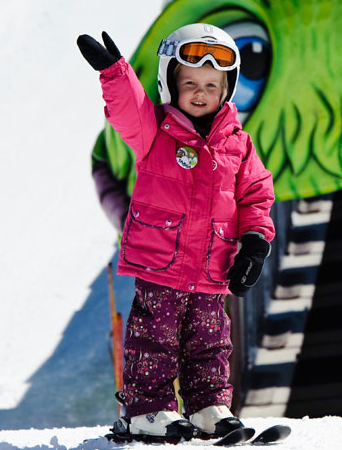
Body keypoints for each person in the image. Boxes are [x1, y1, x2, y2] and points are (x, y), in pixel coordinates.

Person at [76, 23, 275, 441]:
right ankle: (149, 411)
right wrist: (115, 73)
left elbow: (256, 193)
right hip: (162, 262)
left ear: (227, 88)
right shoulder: (155, 133)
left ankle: (208, 407)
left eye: (210, 84)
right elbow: (128, 110)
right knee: (155, 340)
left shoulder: (238, 143)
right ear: (171, 82)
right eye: (189, 83)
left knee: (210, 341)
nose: (200, 93)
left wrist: (255, 242)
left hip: (212, 267)